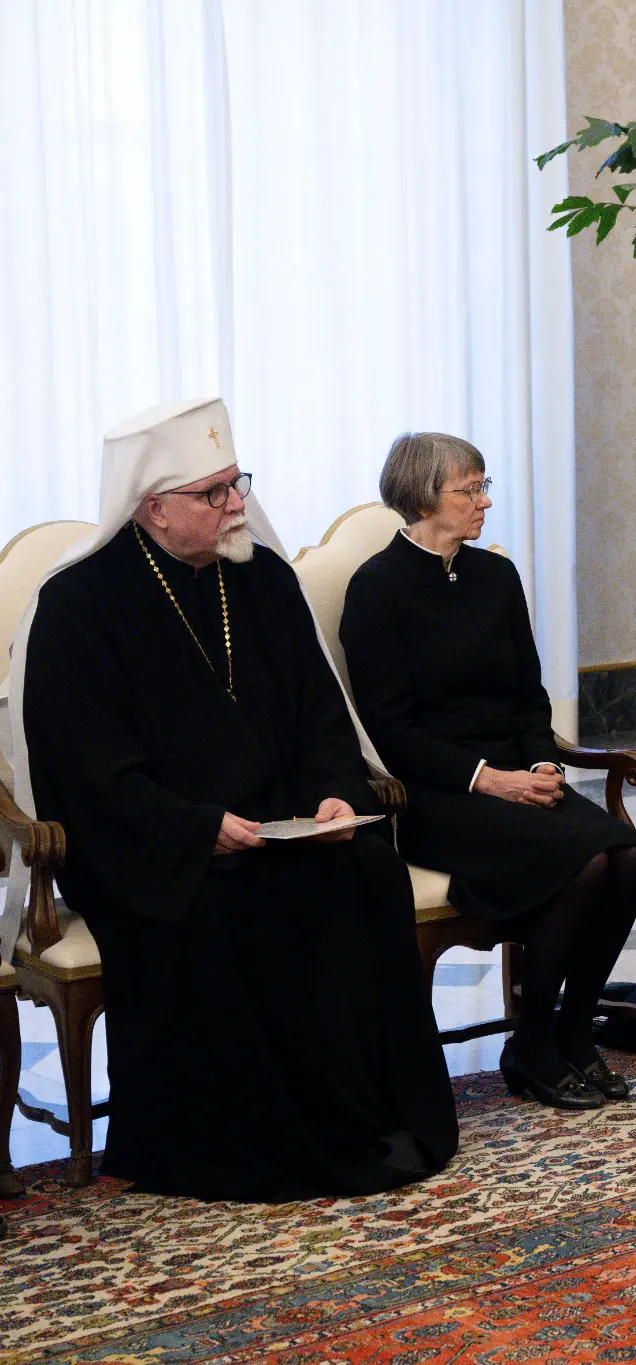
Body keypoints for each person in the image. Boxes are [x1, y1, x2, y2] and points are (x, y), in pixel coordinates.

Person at [7, 398, 457, 1201]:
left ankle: (370, 1112)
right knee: (230, 909)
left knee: (369, 874)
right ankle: (252, 1140)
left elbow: (322, 716)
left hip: (279, 823)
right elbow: (87, 772)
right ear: (154, 506)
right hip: (151, 847)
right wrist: (196, 828)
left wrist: (332, 795)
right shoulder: (79, 605)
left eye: (236, 482)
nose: (236, 504)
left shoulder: (263, 579)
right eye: (213, 492)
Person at [342, 433, 636, 1111]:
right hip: (436, 795)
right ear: (424, 498)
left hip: (518, 777)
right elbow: (392, 731)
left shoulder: (495, 577)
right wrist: (488, 778)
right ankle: (532, 1045)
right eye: (470, 489)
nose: (484, 502)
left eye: (485, 486)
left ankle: (575, 1034)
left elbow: (528, 695)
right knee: (586, 863)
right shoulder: (376, 590)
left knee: (626, 855)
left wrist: (539, 759)